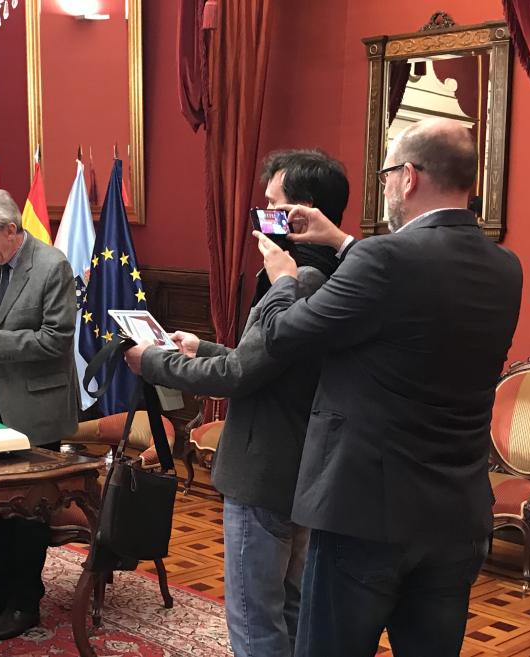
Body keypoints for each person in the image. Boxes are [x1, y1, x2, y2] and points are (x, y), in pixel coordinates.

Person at [254, 118, 523, 657]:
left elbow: (282, 336)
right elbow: (409, 289)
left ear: (408, 177)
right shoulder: (505, 266)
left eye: (385, 175)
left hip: (363, 516)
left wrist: (284, 277)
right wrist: (342, 240)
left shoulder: (386, 259)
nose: (384, 187)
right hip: (455, 516)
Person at [125, 149, 350, 657]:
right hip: (301, 469)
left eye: (271, 205)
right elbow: (268, 365)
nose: (260, 219)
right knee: (290, 608)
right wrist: (200, 348)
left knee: (255, 619)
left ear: (302, 212)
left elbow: (239, 376)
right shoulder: (336, 275)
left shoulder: (299, 282)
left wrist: (152, 362)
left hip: (265, 469)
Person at [0, 186, 79, 641]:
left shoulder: (52, 266)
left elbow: (55, 341)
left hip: (38, 406)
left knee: (27, 509)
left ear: (11, 229)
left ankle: (26, 600)